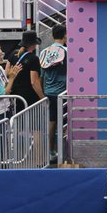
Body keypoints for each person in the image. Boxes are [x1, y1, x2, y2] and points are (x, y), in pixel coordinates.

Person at [41, 22, 67, 161]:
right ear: (65, 35)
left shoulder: (43, 52)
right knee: (65, 124)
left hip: (48, 92)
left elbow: (42, 75)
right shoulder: (66, 51)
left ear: (52, 35)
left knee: (52, 122)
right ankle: (64, 152)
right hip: (63, 93)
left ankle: (51, 152)